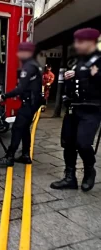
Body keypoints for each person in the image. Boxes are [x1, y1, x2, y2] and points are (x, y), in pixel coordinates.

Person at [50, 28, 101, 192]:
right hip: (73, 108)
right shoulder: (75, 61)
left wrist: (97, 76)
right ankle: (69, 178)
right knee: (68, 143)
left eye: (80, 42)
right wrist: (69, 81)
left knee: (83, 143)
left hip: (92, 109)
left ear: (91, 42)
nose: (77, 45)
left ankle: (89, 170)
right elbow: (70, 86)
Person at [0, 42, 43, 166]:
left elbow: (20, 89)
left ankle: (9, 157)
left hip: (28, 104)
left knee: (17, 129)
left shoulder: (28, 67)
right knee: (25, 128)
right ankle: (26, 155)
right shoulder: (34, 65)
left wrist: (2, 96)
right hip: (33, 103)